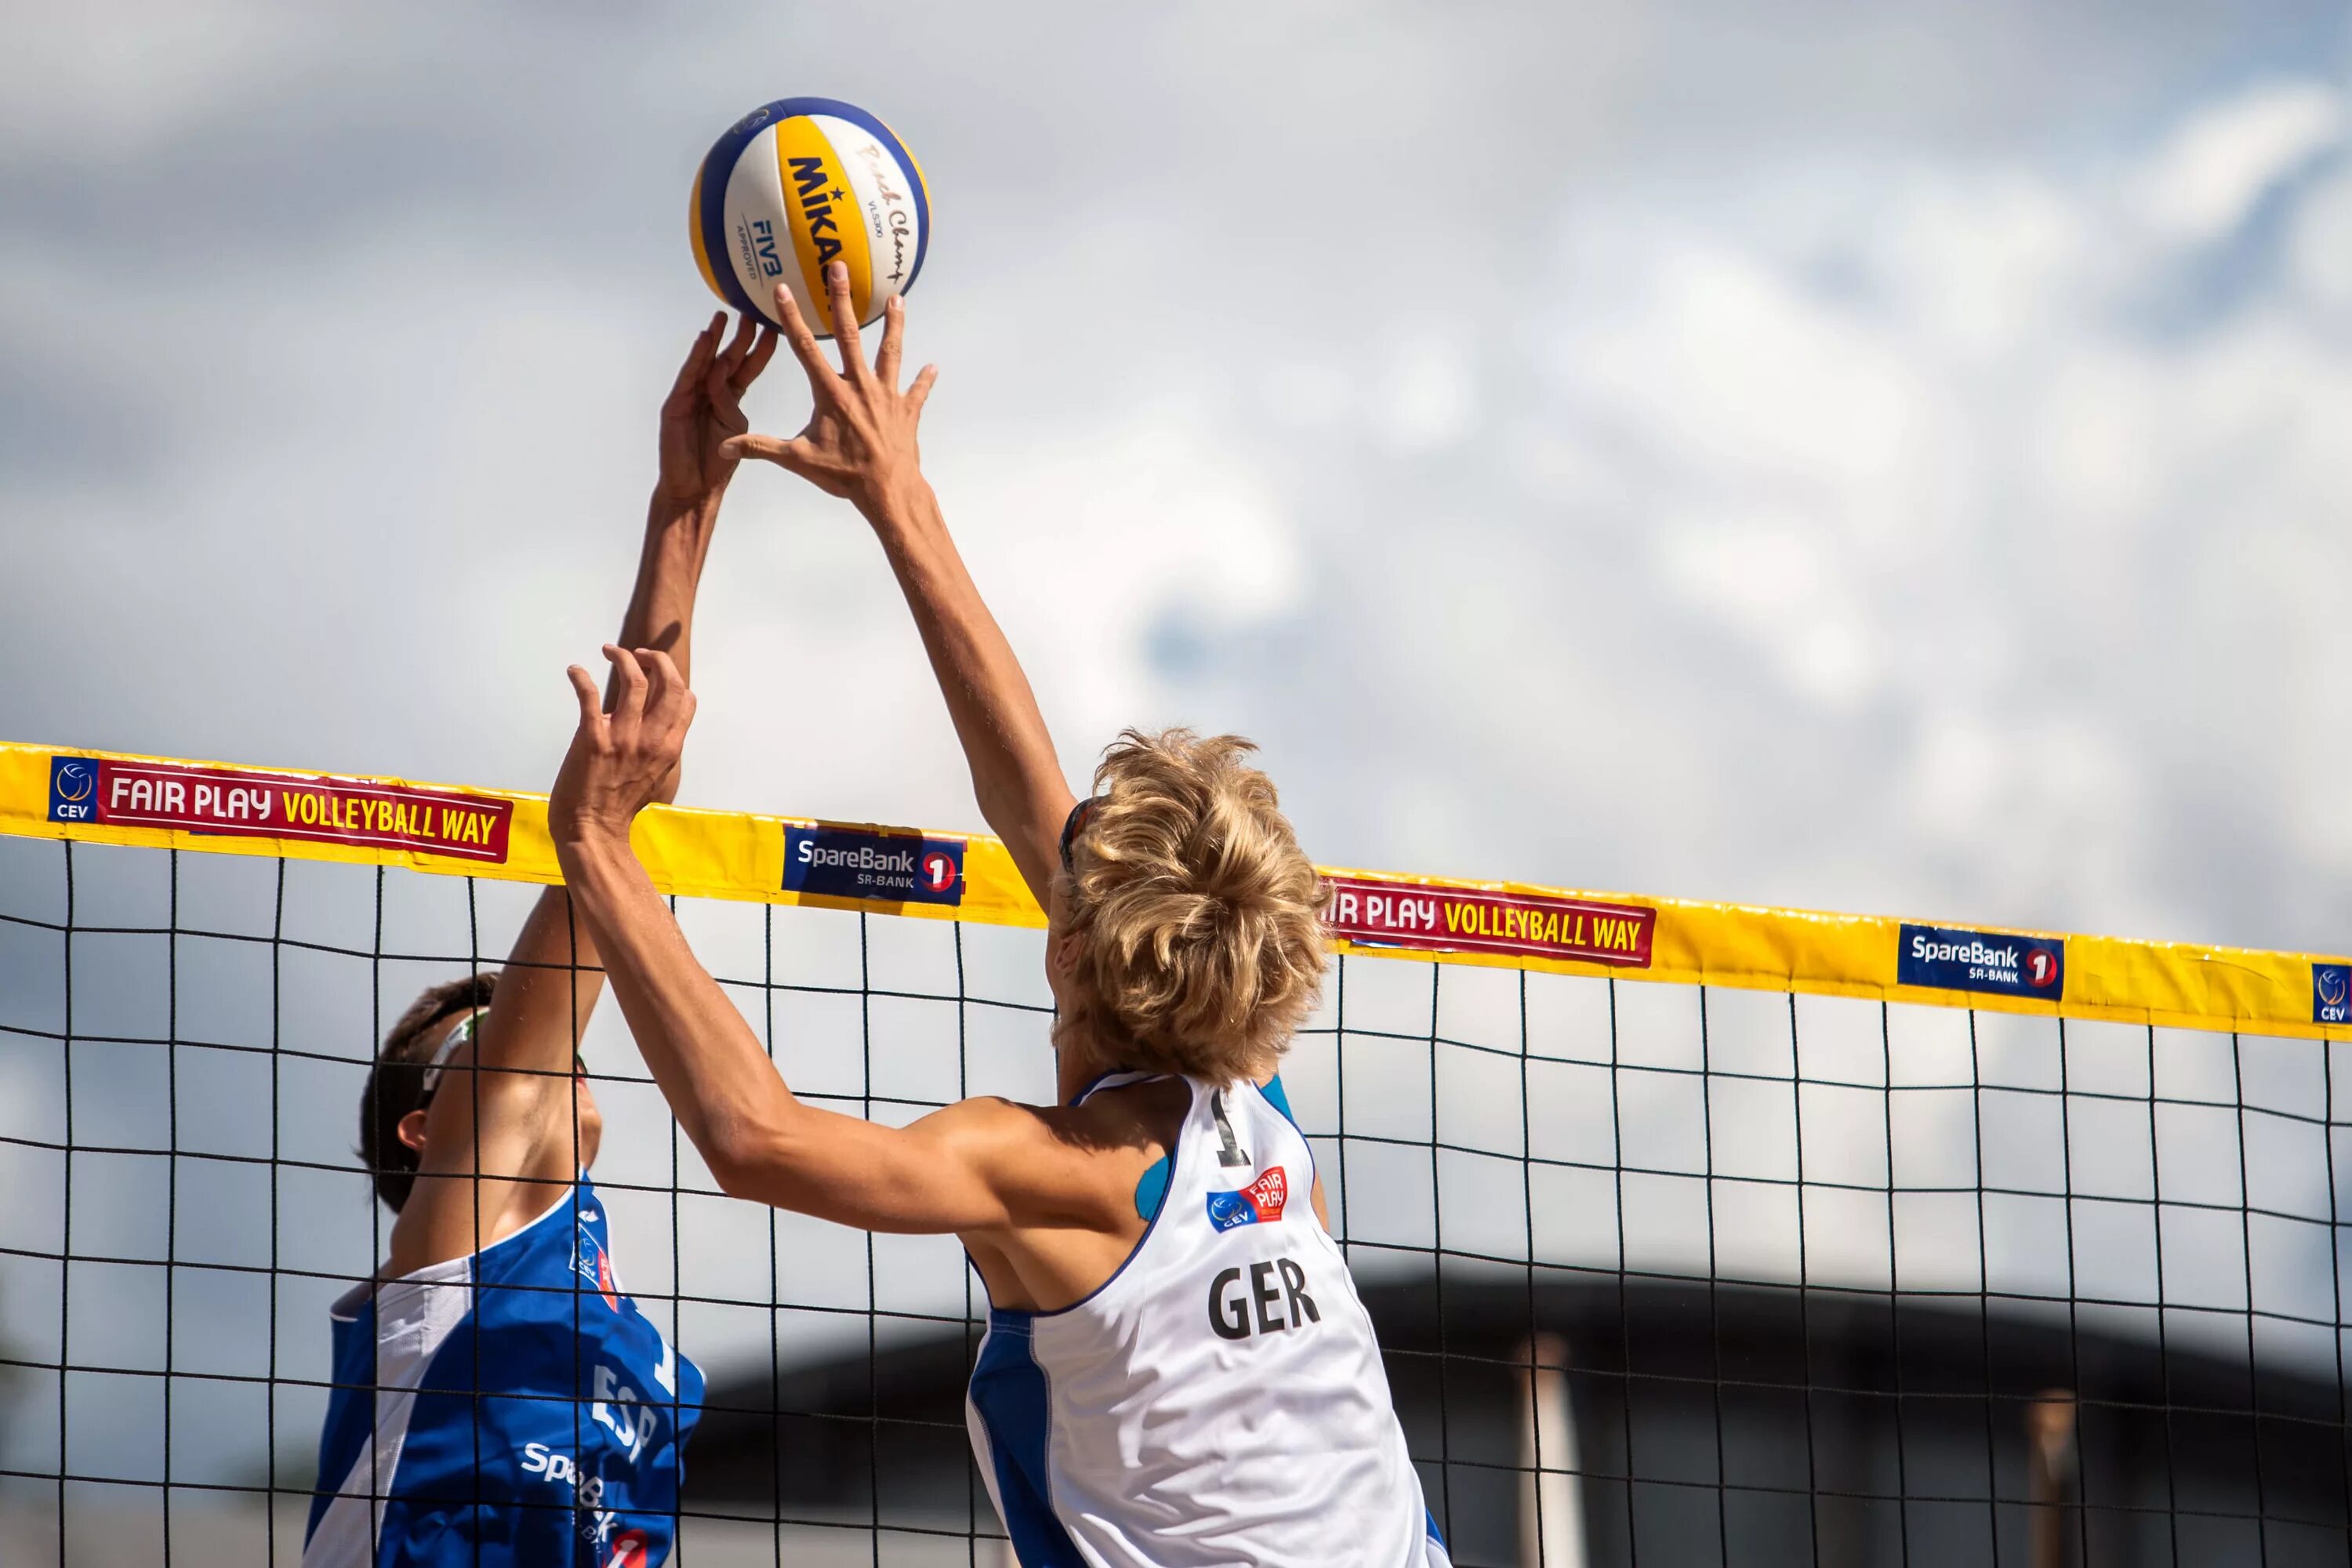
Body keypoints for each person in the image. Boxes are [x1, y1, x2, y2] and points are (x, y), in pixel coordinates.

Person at [544, 262, 1450, 1566]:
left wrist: (597, 839)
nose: (1059, 831)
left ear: (1072, 945)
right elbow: (1030, 797)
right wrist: (895, 498)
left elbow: (754, 1138)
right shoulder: (1258, 1125)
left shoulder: (1046, 1171)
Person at [303, 313, 778, 1568]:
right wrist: (682, 521)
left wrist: (693, 498)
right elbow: (600, 865)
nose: (529, 1028)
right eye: (489, 1028)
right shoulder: (462, 1245)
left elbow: (612, 862)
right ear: (424, 1127)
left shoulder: (588, 1280)